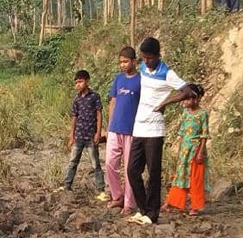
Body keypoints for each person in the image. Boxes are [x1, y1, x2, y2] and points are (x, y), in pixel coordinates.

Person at [126, 37, 194, 226]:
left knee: (153, 172)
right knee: (132, 170)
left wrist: (166, 102)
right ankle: (143, 209)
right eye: (143, 58)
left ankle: (152, 214)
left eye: (149, 58)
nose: (146, 61)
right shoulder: (143, 69)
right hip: (139, 127)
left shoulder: (167, 73)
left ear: (158, 55)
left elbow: (188, 91)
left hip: (155, 130)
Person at [162, 84, 210, 217]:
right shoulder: (185, 113)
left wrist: (200, 152)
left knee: (195, 177)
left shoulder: (202, 114)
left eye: (187, 99)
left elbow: (204, 135)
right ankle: (171, 202)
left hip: (196, 150)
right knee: (180, 175)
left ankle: (195, 206)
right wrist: (179, 149)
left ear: (196, 99)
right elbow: (182, 132)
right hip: (185, 150)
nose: (185, 102)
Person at [105, 47, 141, 215]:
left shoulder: (141, 80)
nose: (123, 65)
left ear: (134, 61)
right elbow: (113, 102)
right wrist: (109, 126)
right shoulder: (118, 79)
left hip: (132, 130)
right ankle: (117, 196)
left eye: (125, 61)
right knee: (110, 164)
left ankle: (129, 203)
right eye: (120, 62)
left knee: (129, 169)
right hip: (115, 129)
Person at [60, 70, 107, 198]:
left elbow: (99, 114)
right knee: (73, 161)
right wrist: (71, 136)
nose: (78, 85)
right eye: (76, 83)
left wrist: (98, 133)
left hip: (91, 136)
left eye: (80, 81)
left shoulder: (94, 97)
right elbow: (74, 118)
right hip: (79, 136)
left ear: (87, 81)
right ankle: (67, 185)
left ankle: (101, 188)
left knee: (95, 163)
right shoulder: (77, 99)